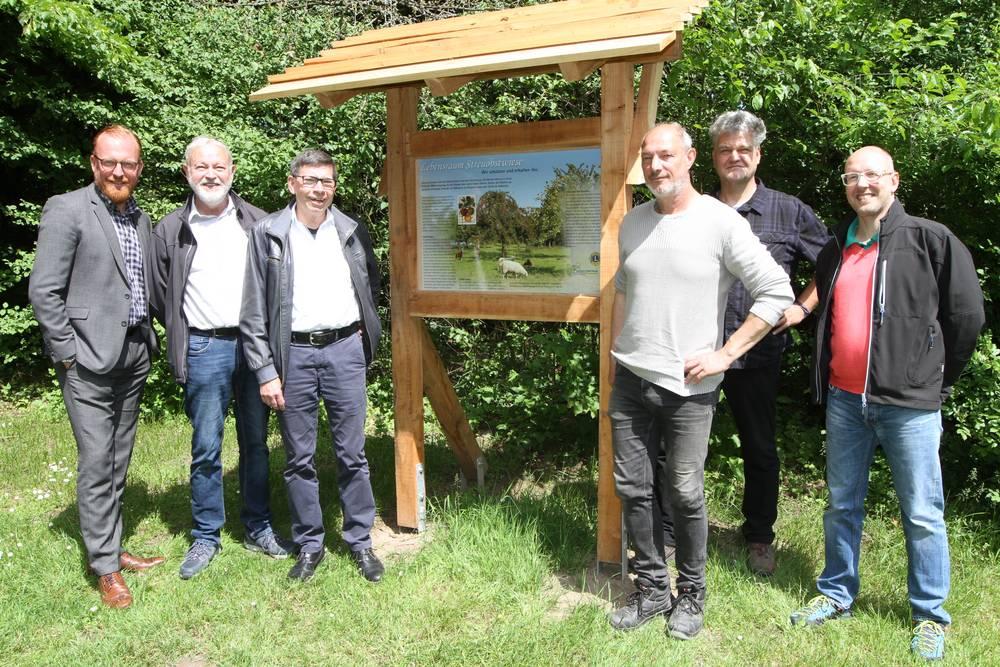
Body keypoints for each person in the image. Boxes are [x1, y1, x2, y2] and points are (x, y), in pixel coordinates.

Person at [790, 146, 984, 661]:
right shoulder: (836, 247)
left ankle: (929, 616)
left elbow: (967, 317)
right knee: (841, 505)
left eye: (872, 175)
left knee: (922, 513)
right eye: (852, 176)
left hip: (910, 405)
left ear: (893, 181)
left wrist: (933, 378)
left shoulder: (930, 239)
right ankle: (835, 595)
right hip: (844, 400)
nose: (862, 184)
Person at [608, 123, 793, 639]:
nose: (656, 166)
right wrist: (617, 352)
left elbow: (776, 290)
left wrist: (727, 353)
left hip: (690, 390)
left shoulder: (720, 222)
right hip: (631, 381)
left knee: (685, 492)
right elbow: (623, 286)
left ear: (690, 158)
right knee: (634, 489)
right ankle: (650, 589)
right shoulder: (634, 222)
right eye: (647, 157)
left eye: (666, 156)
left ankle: (691, 595)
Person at [28, 124, 165, 609]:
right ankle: (105, 568)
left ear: (139, 168)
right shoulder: (67, 209)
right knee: (96, 459)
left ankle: (109, 546)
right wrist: (67, 353)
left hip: (132, 354)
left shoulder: (141, 218)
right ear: (94, 163)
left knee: (118, 457)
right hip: (86, 359)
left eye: (128, 163)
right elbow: (44, 291)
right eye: (110, 162)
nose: (119, 171)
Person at [240, 148, 384, 583]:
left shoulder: (352, 230)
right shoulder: (267, 234)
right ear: (293, 183)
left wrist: (361, 335)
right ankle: (309, 544)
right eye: (310, 180)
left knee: (352, 454)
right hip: (294, 356)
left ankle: (360, 542)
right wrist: (265, 370)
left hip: (345, 351)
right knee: (298, 457)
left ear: (333, 187)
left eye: (326, 182)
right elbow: (252, 309)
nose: (318, 189)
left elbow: (370, 284)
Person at [151, 136, 291, 579]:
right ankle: (206, 535)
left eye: (219, 167)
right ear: (186, 173)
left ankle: (258, 526)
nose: (211, 175)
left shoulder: (260, 223)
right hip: (204, 346)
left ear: (232, 172)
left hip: (255, 348)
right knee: (206, 446)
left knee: (255, 443)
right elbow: (160, 295)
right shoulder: (170, 230)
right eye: (201, 167)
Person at [709, 110, 831, 575]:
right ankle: (674, 530)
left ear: (757, 155)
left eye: (743, 149)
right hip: (701, 349)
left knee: (759, 448)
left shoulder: (789, 210)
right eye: (725, 149)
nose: (734, 157)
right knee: (680, 447)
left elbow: (830, 264)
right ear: (714, 157)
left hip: (758, 353)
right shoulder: (699, 209)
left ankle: (759, 536)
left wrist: (802, 308)